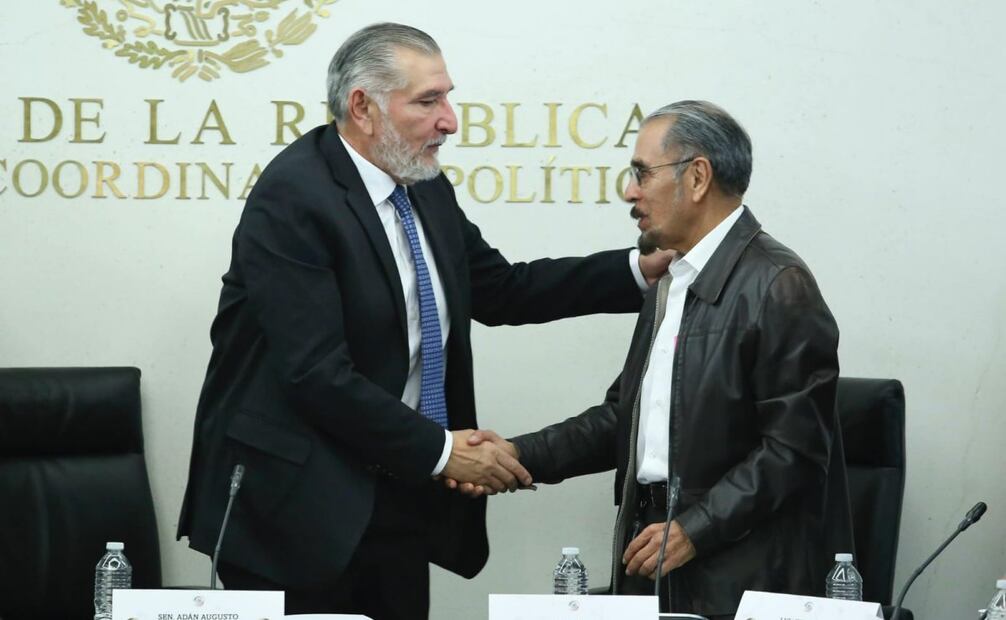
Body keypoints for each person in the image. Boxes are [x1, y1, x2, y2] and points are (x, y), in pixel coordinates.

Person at [175, 23, 672, 620]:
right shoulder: (294, 197)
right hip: (294, 509)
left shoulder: (421, 184)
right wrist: (443, 451)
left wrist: (638, 272)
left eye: (447, 98)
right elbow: (315, 373)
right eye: (428, 101)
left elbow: (500, 290)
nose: (450, 121)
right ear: (363, 107)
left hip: (398, 489)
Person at [460, 100, 853, 619]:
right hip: (652, 556)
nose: (630, 191)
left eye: (642, 173)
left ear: (697, 177)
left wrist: (694, 529)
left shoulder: (779, 284)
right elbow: (624, 419)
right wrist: (516, 454)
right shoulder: (672, 281)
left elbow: (793, 451)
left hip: (738, 578)